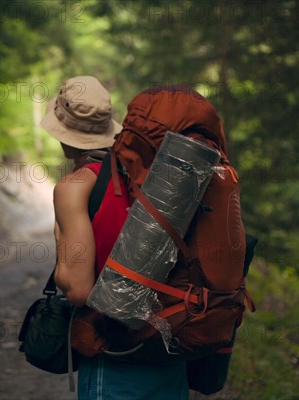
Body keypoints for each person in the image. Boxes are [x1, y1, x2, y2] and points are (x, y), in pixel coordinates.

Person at [42, 76, 189, 399]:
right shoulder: (151, 176)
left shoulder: (74, 187)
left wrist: (61, 268)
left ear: (63, 136)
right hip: (168, 350)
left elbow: (79, 290)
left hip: (112, 354)